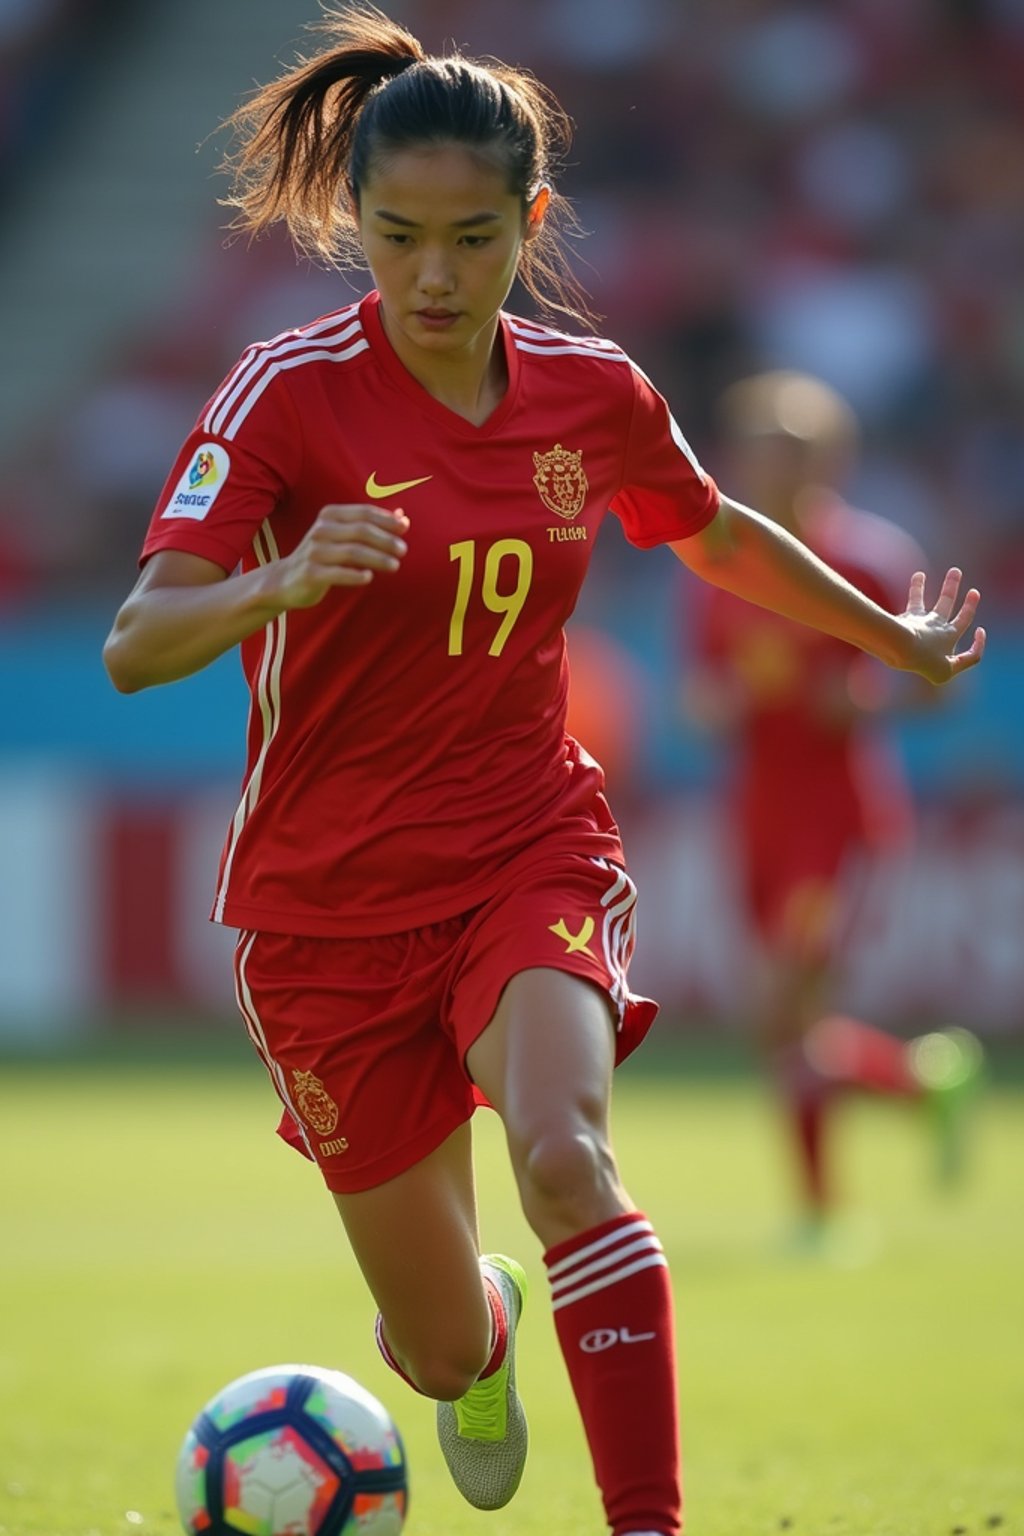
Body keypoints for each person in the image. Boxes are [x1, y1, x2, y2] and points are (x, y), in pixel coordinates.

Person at [102, 9, 984, 1534]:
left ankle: (649, 1519)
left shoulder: (593, 393)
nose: (433, 278)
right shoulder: (284, 395)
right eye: (395, 239)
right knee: (437, 1352)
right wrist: (277, 579)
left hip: (526, 843)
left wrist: (889, 634)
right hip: (323, 910)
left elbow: (709, 529)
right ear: (351, 223)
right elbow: (136, 639)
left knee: (567, 1156)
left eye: (471, 239)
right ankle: (488, 1338)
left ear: (533, 221)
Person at [680, 370, 985, 1249]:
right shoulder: (725, 567)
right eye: (754, 448)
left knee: (784, 1005)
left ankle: (819, 1216)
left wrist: (859, 704)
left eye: (787, 448)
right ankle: (923, 1088)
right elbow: (697, 700)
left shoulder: (869, 562)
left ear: (826, 460)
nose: (765, 466)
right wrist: (723, 700)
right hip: (758, 813)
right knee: (783, 1020)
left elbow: (939, 689)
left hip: (836, 814)